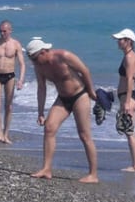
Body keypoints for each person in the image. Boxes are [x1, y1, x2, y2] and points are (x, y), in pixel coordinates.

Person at [27, 38, 99, 183]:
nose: (34, 62)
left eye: (35, 58)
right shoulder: (39, 67)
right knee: (49, 128)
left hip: (80, 95)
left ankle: (93, 174)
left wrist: (91, 91)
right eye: (31, 59)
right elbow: (42, 88)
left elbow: (84, 71)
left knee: (84, 135)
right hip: (63, 99)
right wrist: (40, 112)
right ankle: (46, 169)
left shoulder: (64, 56)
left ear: (43, 52)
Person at [112, 28, 135, 172]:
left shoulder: (130, 57)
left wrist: (127, 102)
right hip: (126, 96)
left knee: (130, 133)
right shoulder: (128, 56)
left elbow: (130, 80)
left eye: (120, 39)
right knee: (128, 132)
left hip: (129, 98)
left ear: (128, 41)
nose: (118, 42)